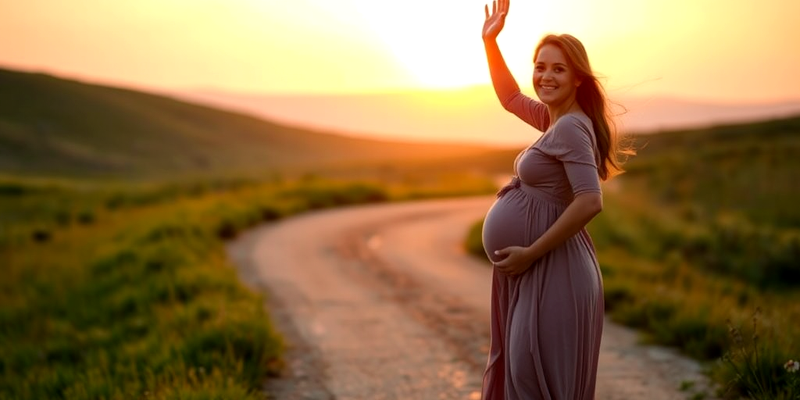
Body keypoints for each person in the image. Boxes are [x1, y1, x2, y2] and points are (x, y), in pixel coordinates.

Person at [479, 0, 628, 398]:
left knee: (531, 380)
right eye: (540, 66)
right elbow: (510, 97)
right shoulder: (555, 120)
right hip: (541, 270)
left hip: (555, 270)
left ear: (578, 78)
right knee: (526, 377)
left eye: (558, 68)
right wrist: (490, 42)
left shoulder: (571, 129)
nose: (545, 76)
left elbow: (590, 201)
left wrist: (530, 252)